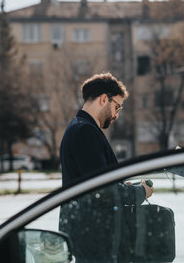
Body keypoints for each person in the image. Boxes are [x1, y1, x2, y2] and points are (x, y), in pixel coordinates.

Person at [58, 72, 154, 263]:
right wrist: (140, 192)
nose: (117, 115)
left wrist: (121, 186)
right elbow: (103, 190)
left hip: (89, 234)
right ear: (104, 99)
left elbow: (95, 182)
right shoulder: (85, 131)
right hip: (95, 237)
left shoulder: (79, 127)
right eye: (117, 107)